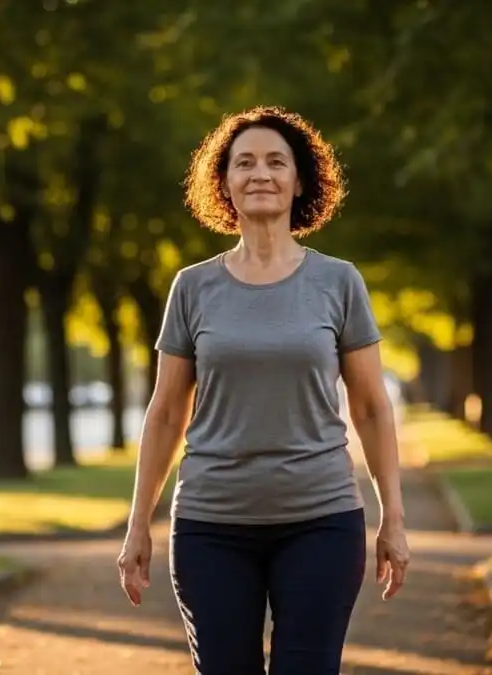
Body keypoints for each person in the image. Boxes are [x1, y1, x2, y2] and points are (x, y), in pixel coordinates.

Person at [117, 105, 411, 675]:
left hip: (321, 521)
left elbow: (372, 408)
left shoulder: (338, 282)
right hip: (211, 526)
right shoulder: (193, 288)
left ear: (300, 180)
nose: (261, 174)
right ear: (223, 181)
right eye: (244, 162)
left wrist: (392, 518)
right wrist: (137, 526)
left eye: (277, 162)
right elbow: (165, 412)